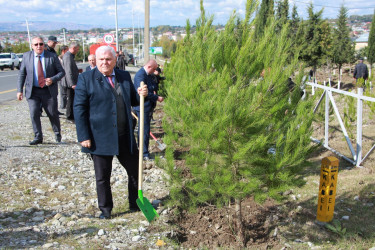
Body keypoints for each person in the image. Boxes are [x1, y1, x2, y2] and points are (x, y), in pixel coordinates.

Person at [73, 45, 148, 219]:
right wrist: (83, 136)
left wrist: (141, 93)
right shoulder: (86, 78)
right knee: (102, 177)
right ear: (96, 60)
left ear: (115, 60)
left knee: (135, 171)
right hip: (99, 137)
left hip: (125, 135)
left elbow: (133, 100)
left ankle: (135, 203)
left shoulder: (123, 76)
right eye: (101, 59)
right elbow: (79, 109)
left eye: (108, 59)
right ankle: (106, 210)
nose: (105, 62)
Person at [16, 36, 65, 145]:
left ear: (44, 45)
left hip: (48, 91)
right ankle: (38, 136)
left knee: (52, 113)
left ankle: (57, 134)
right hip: (33, 92)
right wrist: (19, 90)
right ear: (32, 46)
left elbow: (61, 72)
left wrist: (52, 79)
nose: (39, 46)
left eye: (41, 44)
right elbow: (22, 74)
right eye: (36, 44)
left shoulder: (51, 56)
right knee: (34, 113)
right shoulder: (26, 56)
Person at [133, 59, 164, 161]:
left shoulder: (149, 75)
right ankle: (144, 153)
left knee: (146, 129)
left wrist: (154, 90)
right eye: (154, 69)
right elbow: (143, 93)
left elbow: (153, 87)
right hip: (142, 107)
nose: (155, 71)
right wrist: (156, 97)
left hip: (148, 106)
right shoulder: (140, 75)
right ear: (149, 67)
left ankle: (143, 152)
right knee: (144, 130)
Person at [61, 42, 80, 122]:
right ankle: (69, 116)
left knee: (72, 99)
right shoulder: (68, 56)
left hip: (70, 82)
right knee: (70, 100)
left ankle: (71, 115)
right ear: (73, 48)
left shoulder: (69, 56)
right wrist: (72, 83)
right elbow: (68, 71)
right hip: (69, 83)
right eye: (77, 49)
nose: (77, 51)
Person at [58, 45, 69, 109]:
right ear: (63, 51)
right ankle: (63, 106)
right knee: (63, 93)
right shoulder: (59, 59)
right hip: (62, 77)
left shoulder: (67, 57)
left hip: (67, 77)